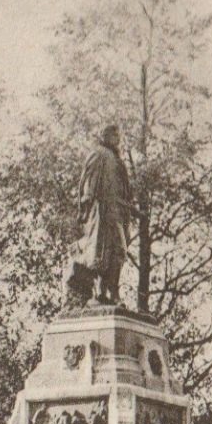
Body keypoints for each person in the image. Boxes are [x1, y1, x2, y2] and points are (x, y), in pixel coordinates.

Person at [67, 123, 132, 305]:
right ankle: (103, 292)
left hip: (117, 211)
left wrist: (129, 208)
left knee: (118, 251)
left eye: (118, 135)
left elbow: (124, 188)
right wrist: (87, 203)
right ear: (105, 136)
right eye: (113, 135)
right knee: (103, 250)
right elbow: (89, 179)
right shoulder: (99, 154)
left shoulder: (117, 160)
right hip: (102, 210)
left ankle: (107, 291)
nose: (117, 139)